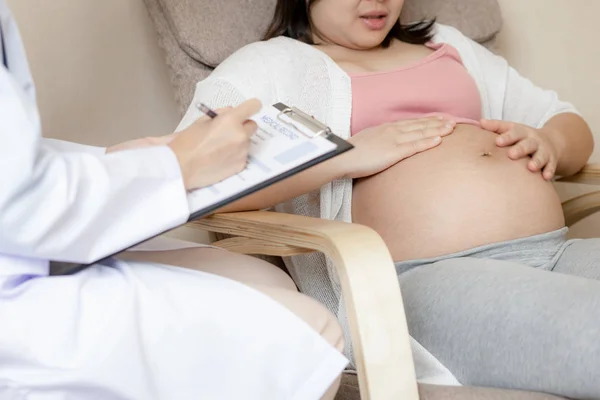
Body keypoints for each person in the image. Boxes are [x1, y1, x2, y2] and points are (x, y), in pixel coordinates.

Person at [176, 0, 600, 398]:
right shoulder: (270, 65)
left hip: (554, 249)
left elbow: (567, 122)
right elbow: (185, 180)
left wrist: (551, 142)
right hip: (431, 279)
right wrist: (343, 159)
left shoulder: (449, 45)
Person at [0, 1, 348, 399]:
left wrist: (126, 158)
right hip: (17, 294)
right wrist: (178, 165)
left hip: (28, 236)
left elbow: (14, 164)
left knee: (265, 279)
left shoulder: (438, 43)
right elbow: (22, 203)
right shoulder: (267, 63)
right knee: (307, 336)